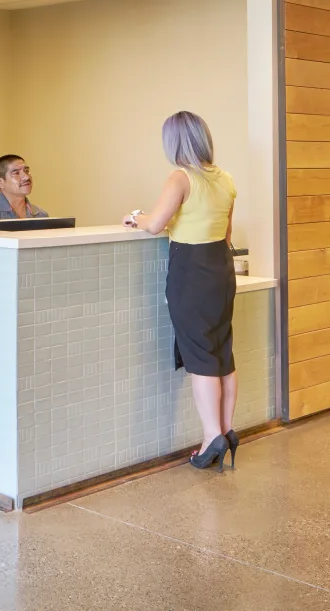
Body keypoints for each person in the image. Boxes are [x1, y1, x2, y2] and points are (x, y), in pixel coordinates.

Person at [123, 111, 238, 472]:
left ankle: (210, 437)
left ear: (173, 142)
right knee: (221, 351)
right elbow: (227, 234)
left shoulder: (181, 177)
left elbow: (155, 224)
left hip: (191, 273)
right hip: (220, 267)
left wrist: (136, 216)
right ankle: (228, 431)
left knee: (200, 356)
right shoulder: (226, 179)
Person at [0, 155, 49, 222]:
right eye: (16, 173)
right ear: (0, 182)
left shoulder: (41, 215)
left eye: (27, 171)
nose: (26, 177)